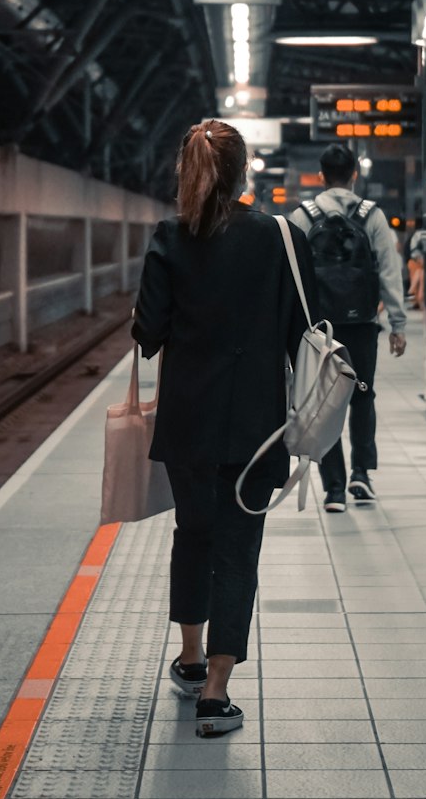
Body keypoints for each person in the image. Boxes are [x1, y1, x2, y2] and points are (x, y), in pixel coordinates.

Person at [132, 118, 318, 737]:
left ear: (185, 172)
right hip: (255, 425)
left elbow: (148, 335)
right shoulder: (279, 237)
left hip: (188, 420)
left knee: (193, 534)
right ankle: (216, 693)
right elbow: (306, 328)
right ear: (244, 173)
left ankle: (188, 658)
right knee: (239, 551)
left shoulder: (169, 236)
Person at [290, 142, 407, 511]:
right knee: (362, 396)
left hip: (319, 329)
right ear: (354, 174)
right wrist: (398, 323)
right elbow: (389, 270)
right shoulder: (372, 215)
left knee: (323, 403)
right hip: (362, 324)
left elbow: (292, 275)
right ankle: (362, 474)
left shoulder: (302, 217)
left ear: (321, 176)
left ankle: (335, 489)